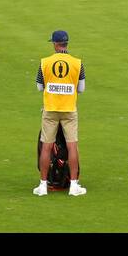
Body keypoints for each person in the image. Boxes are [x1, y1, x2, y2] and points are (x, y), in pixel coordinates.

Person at [33, 30, 87, 197]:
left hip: (50, 109)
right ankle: (73, 185)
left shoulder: (45, 63)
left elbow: (39, 87)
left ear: (55, 44)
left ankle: (42, 186)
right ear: (66, 44)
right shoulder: (78, 63)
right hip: (69, 110)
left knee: (47, 146)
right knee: (72, 146)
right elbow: (81, 89)